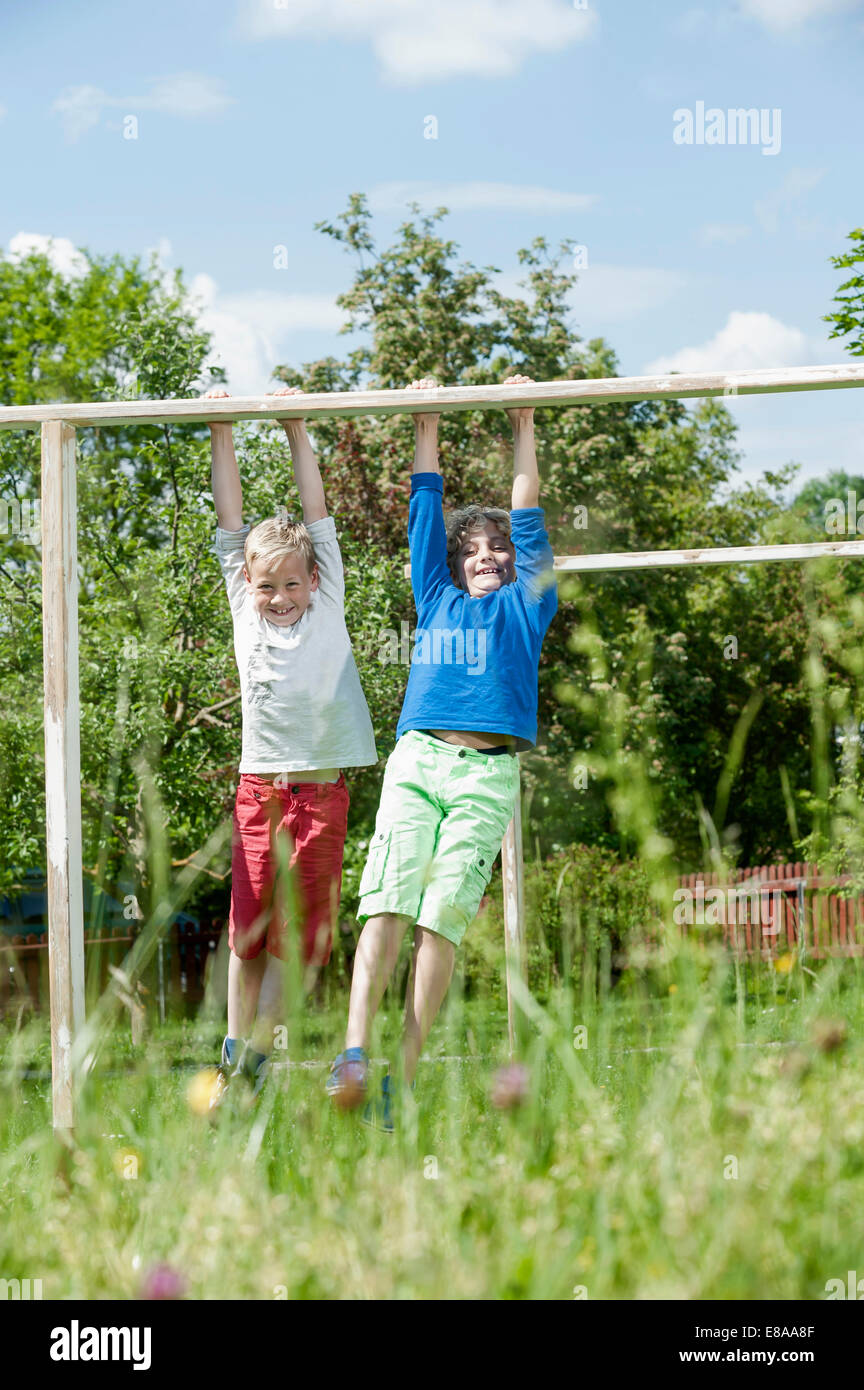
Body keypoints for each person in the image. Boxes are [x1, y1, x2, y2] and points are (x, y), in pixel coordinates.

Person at [327, 374, 557, 1130]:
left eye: (499, 550)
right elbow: (426, 513)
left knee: (441, 921)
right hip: (419, 761)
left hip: (487, 777)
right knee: (389, 899)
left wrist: (523, 422)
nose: (489, 555)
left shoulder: (530, 606)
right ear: (457, 565)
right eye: (475, 550)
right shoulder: (436, 596)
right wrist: (426, 419)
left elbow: (527, 516)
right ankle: (353, 1050)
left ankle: (405, 1070)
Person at [205, 386, 377, 1100]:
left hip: (323, 794)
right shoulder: (245, 606)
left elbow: (316, 512)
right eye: (266, 585)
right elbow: (229, 516)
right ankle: (233, 1056)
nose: (279, 596)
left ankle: (252, 1057)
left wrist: (296, 427)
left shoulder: (326, 594)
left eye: (291, 585)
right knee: (248, 933)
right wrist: (221, 426)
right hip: (260, 793)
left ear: (314, 581)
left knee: (301, 943)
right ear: (248, 583)